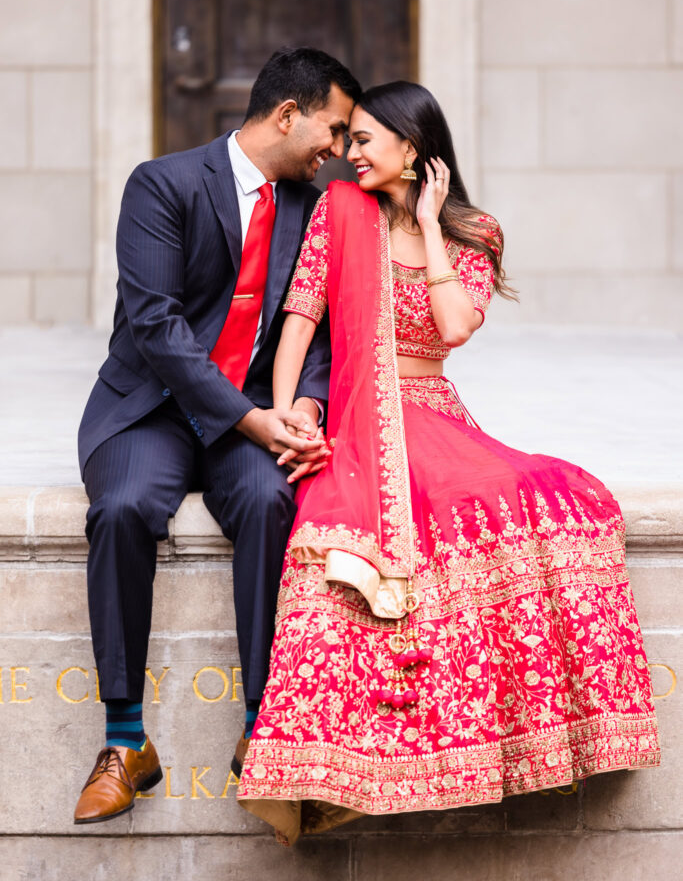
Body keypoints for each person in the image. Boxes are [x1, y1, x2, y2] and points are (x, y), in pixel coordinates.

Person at [236, 81, 660, 844]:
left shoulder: (473, 231)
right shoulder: (340, 211)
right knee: (371, 541)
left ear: (412, 147)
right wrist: (290, 412)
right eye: (349, 138)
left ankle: (534, 733)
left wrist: (430, 226)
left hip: (434, 410)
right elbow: (300, 317)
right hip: (363, 414)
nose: (348, 152)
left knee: (559, 498)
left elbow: (455, 327)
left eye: (365, 140)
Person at [72, 47, 361, 824]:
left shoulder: (312, 211)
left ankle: (261, 727)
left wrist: (304, 407)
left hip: (251, 419)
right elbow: (158, 329)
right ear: (286, 113)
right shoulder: (161, 185)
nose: (337, 148)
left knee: (272, 499)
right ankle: (124, 739)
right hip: (151, 408)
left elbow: (323, 332)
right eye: (332, 128)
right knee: (124, 508)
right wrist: (251, 416)